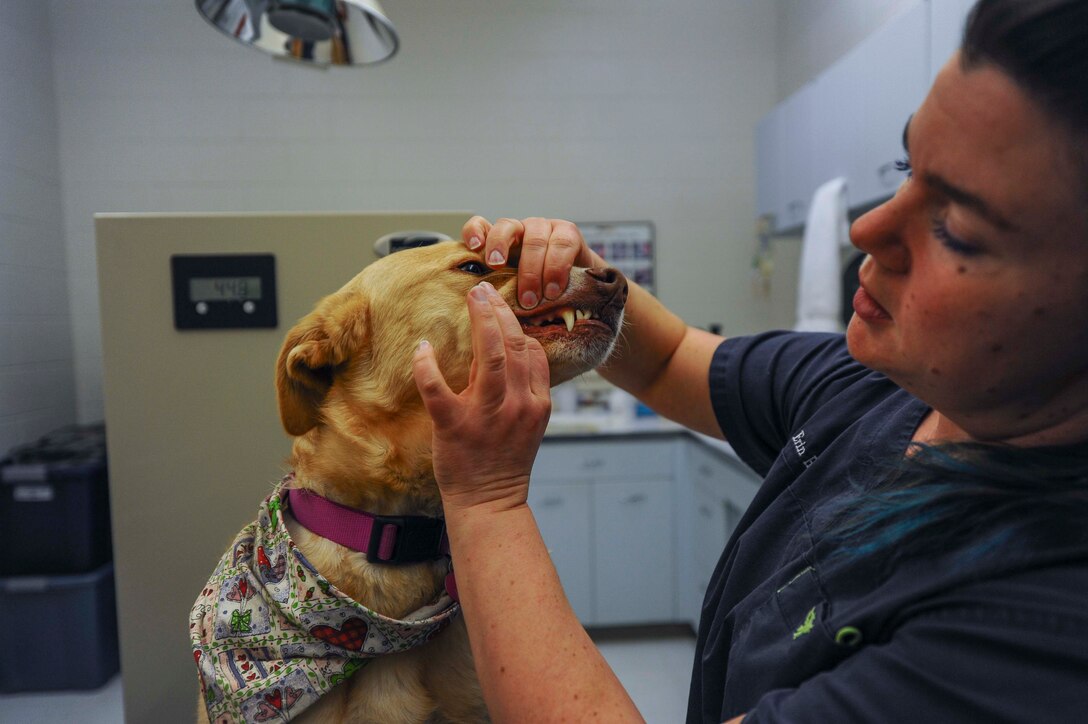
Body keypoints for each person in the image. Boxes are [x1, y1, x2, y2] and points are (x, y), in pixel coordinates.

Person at [411, 0, 1088, 720]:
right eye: (905, 165)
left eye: (954, 227)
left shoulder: (1037, 635)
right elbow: (670, 358)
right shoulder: (878, 389)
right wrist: (592, 284)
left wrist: (486, 500)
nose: (868, 228)